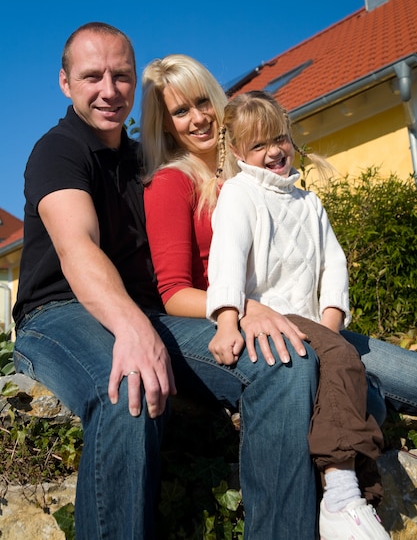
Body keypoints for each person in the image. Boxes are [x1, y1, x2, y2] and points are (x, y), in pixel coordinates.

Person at [12, 24, 320, 540]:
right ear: (65, 83)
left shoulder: (145, 162)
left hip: (149, 314)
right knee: (129, 386)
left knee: (284, 361)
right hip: (57, 316)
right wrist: (133, 330)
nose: (109, 90)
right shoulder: (59, 151)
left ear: (135, 84)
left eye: (122, 76)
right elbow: (77, 248)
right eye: (92, 77)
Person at [141, 54, 417, 537]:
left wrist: (328, 315)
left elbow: (324, 257)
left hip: (310, 321)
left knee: (403, 376)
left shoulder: (266, 175)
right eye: (180, 112)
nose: (198, 118)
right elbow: (173, 293)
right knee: (344, 384)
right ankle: (341, 494)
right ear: (166, 127)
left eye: (202, 102)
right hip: (251, 318)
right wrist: (243, 310)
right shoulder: (173, 183)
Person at [206, 90, 391, 539]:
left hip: (314, 323)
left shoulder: (309, 202)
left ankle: (344, 491)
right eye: (258, 145)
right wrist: (228, 320)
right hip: (273, 319)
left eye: (280, 138)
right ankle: (343, 494)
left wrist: (331, 329)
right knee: (346, 366)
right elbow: (227, 260)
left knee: (370, 395)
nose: (274, 151)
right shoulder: (238, 193)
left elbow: (334, 267)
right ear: (236, 152)